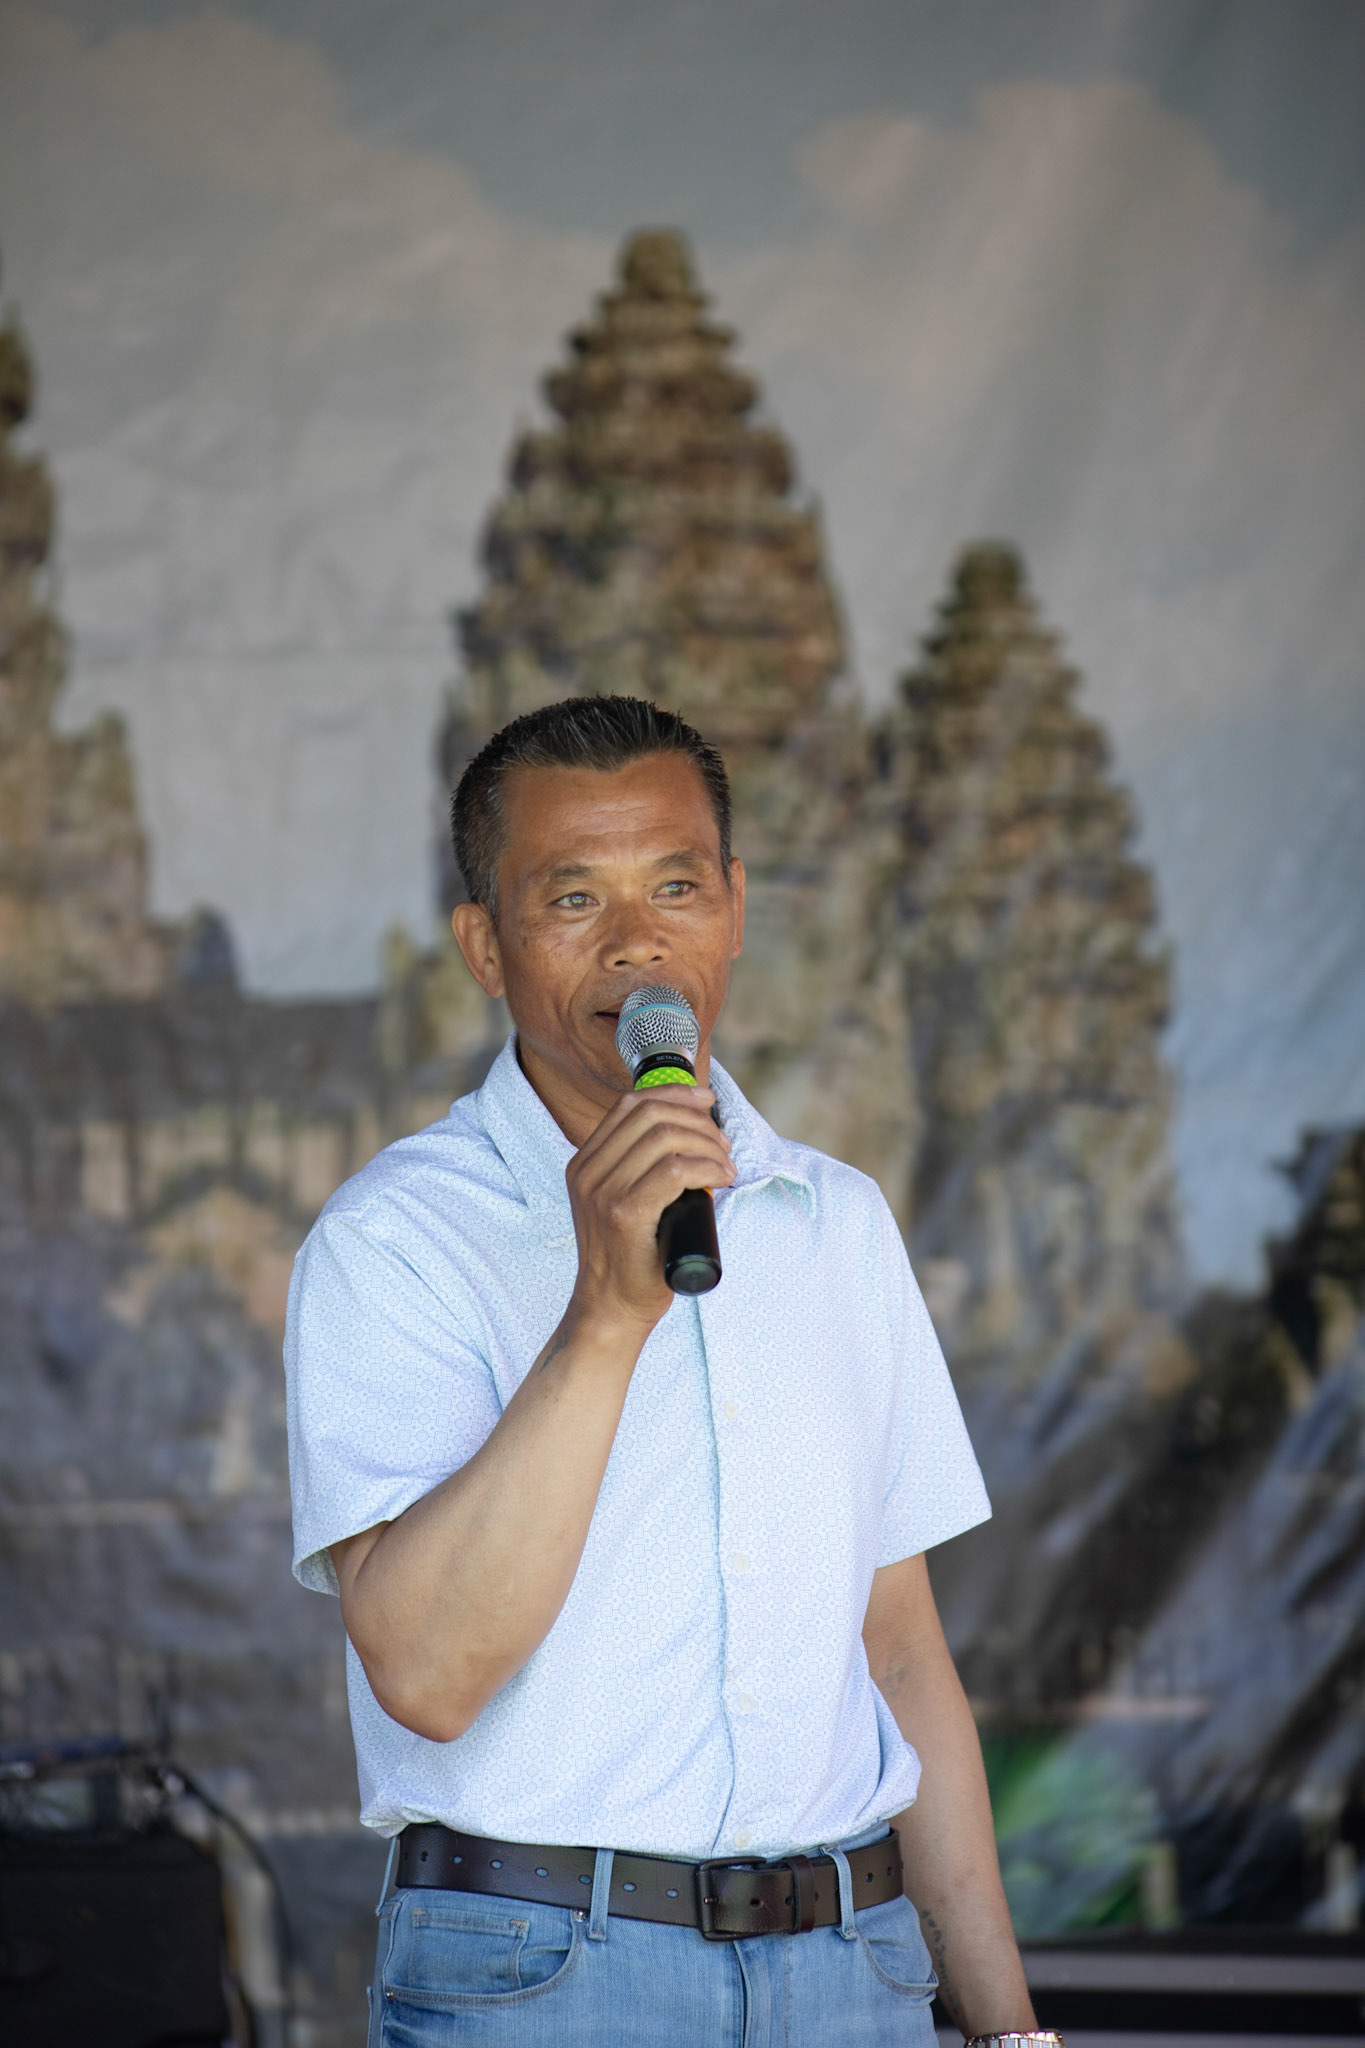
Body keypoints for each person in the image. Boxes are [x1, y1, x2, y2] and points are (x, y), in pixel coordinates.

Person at [285, 694, 1050, 2048]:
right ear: (485, 946)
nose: (637, 941)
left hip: (852, 1969)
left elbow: (898, 1652)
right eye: (573, 897)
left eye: (677, 887)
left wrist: (1007, 2032)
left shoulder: (833, 1221)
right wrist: (604, 1312)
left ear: (736, 910)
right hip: (545, 1975)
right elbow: (428, 1674)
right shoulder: (394, 1239)